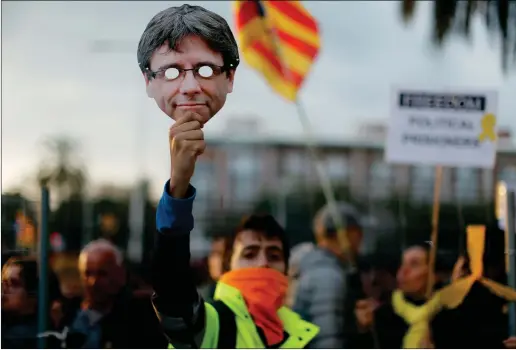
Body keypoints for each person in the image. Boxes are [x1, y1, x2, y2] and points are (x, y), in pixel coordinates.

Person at [141, 5, 319, 348]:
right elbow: (173, 299)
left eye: (274, 254)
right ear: (226, 266)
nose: (263, 262)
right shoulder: (211, 327)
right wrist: (177, 189)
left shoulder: (307, 335)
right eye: (250, 253)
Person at [292, 202, 366, 348]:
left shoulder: (312, 267)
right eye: (358, 233)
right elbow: (327, 338)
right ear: (346, 234)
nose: (360, 241)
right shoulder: (327, 276)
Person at [68, 239, 166, 348]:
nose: (93, 282)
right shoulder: (68, 314)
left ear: (120, 274)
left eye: (102, 274)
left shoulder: (141, 316)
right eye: (87, 274)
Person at [1, 256, 64, 348]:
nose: (4, 289)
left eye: (14, 284)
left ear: (34, 294)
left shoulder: (31, 336)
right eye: (4, 283)